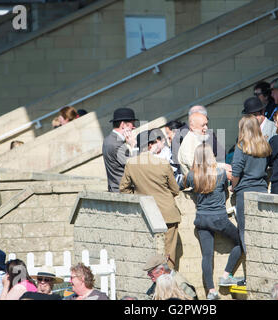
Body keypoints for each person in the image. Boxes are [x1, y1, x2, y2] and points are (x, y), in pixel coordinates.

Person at [183, 144, 242, 300]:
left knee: (206, 256)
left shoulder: (191, 176)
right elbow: (225, 191)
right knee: (241, 242)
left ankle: (211, 291)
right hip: (219, 218)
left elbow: (181, 187)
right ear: (211, 157)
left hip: (201, 219)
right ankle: (226, 276)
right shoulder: (221, 174)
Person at [120, 129, 181, 268]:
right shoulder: (163, 164)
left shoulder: (131, 163)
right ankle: (167, 283)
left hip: (146, 213)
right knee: (169, 253)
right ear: (149, 145)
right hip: (167, 214)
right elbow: (175, 190)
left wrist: (140, 198)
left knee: (149, 252)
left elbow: (124, 189)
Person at [231, 115, 272, 253]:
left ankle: (253, 264)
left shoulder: (241, 146)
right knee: (263, 231)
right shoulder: (265, 145)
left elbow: (236, 172)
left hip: (245, 192)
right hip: (262, 190)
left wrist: (233, 186)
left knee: (245, 231)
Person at [178, 110, 227, 177]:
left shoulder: (198, 138)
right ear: (192, 127)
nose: (206, 128)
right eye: (203, 125)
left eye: (206, 124)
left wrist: (223, 166)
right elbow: (197, 169)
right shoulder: (188, 144)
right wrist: (222, 169)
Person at [102, 107, 138, 192]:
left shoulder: (107, 140)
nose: (134, 127)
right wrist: (134, 145)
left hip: (114, 189)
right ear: (123, 125)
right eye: (132, 124)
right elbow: (134, 167)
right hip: (122, 191)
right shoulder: (117, 144)